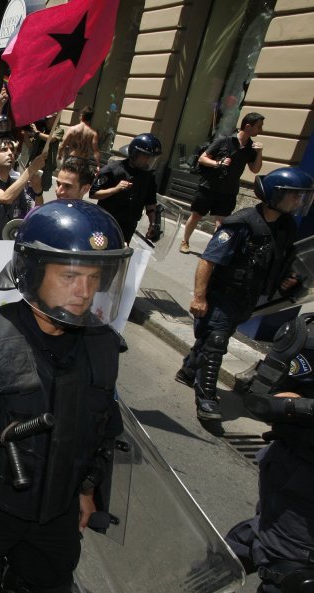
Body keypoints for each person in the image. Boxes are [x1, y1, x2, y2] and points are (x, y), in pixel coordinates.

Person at [0, 199, 131, 593]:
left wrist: (88, 490)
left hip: (56, 514)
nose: (84, 291)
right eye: (71, 276)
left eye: (95, 278)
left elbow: (99, 430)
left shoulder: (102, 347)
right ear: (34, 271)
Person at [176, 167, 313, 435]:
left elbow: (279, 262)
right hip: (222, 297)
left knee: (211, 339)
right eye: (294, 196)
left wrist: (287, 281)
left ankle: (189, 371)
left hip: (247, 300)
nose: (298, 203)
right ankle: (206, 400)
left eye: (302, 198)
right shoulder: (241, 223)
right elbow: (208, 260)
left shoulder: (285, 226)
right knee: (216, 343)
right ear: (275, 195)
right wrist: (199, 297)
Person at [226, 313, 314, 593]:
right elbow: (262, 400)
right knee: (286, 572)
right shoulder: (306, 336)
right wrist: (298, 407)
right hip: (298, 497)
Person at [180, 112, 266, 254]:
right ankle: (185, 241)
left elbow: (255, 169)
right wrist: (218, 163)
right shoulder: (224, 140)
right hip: (209, 187)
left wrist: (260, 153)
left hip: (229, 190)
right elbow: (203, 158)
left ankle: (212, 250)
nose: (261, 130)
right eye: (259, 127)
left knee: (221, 223)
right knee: (196, 215)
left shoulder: (251, 148)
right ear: (248, 126)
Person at [90, 133, 162, 243]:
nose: (148, 161)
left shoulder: (148, 176)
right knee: (99, 249)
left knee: (120, 255)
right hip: (106, 222)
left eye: (151, 158)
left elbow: (150, 202)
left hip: (128, 226)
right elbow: (93, 194)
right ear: (134, 153)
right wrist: (115, 189)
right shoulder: (112, 170)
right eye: (145, 157)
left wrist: (153, 224)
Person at [0, 138, 46, 240]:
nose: (10, 153)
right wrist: (31, 169)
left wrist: (38, 192)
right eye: (4, 150)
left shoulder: (16, 184)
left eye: (12, 150)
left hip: (6, 246)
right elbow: (6, 197)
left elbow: (35, 211)